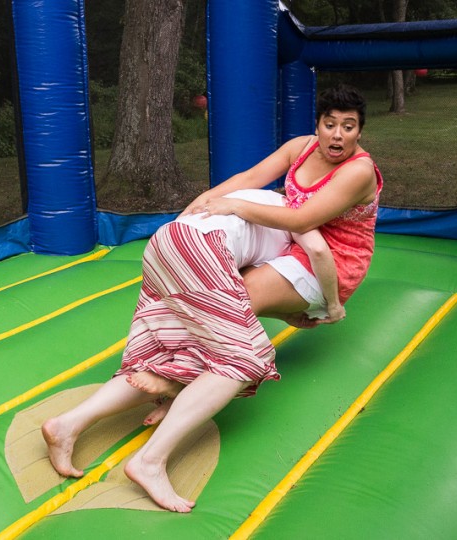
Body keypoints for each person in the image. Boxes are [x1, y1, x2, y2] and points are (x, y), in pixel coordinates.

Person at [44, 84, 382, 512]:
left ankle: (102, 410)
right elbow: (249, 184)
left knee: (211, 329)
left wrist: (211, 211)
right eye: (329, 124)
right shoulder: (297, 156)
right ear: (316, 124)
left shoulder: (355, 173)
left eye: (348, 127)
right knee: (240, 354)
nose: (336, 135)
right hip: (234, 248)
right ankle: (150, 448)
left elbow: (303, 223)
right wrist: (206, 204)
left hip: (308, 258)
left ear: (360, 131)